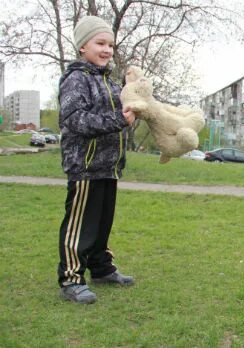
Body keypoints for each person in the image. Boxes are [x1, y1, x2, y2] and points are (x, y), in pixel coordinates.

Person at [57, 16, 137, 304]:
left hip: (109, 166)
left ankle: (102, 269)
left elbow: (126, 113)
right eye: (100, 43)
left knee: (102, 224)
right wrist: (119, 119)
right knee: (80, 226)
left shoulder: (111, 83)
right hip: (85, 167)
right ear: (82, 47)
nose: (107, 50)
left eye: (110, 45)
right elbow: (75, 120)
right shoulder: (75, 79)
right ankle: (71, 279)